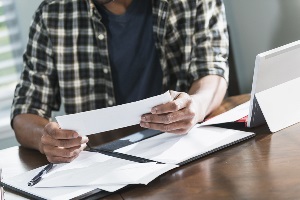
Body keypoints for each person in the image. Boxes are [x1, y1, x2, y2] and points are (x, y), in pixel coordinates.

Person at [11, 0, 229, 163]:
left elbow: (211, 70)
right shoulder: (53, 13)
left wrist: (196, 106)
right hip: (101, 164)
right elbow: (25, 112)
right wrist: (46, 138)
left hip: (181, 151)